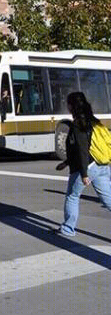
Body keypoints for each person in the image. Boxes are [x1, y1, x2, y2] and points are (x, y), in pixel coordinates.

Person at [54, 91, 111, 237]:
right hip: (102, 165)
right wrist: (66, 162)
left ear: (71, 105)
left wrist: (84, 174)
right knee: (108, 199)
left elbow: (82, 150)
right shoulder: (93, 121)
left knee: (72, 196)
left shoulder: (79, 124)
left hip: (87, 167)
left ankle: (67, 229)